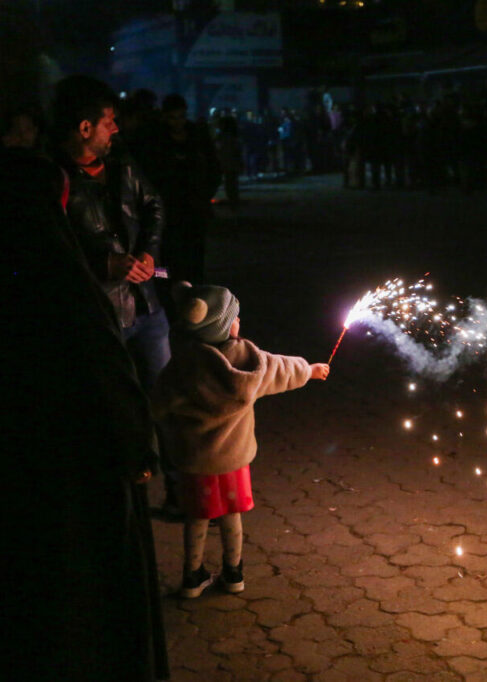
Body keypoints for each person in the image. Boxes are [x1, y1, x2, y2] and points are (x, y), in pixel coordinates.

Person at [0, 152, 170, 681]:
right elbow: (106, 374)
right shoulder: (62, 284)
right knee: (80, 605)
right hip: (72, 481)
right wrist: (137, 450)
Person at [51, 76, 179, 512]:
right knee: (111, 408)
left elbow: (154, 206)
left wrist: (147, 252)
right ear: (85, 128)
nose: (116, 129)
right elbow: (46, 248)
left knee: (165, 399)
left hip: (146, 307)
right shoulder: (52, 178)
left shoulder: (122, 166)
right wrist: (102, 266)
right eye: (109, 122)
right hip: (100, 316)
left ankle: (180, 491)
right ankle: (124, 498)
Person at [153, 284, 330, 597]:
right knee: (230, 517)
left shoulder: (182, 365)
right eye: (234, 318)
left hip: (196, 463)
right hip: (234, 461)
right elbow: (282, 368)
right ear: (224, 327)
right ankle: (234, 573)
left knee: (197, 517)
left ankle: (192, 577)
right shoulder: (250, 362)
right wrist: (311, 370)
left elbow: (157, 403)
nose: (239, 322)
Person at [151, 94, 221, 284]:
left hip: (194, 204)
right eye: (173, 117)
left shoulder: (197, 136)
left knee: (195, 249)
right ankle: (165, 284)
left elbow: (213, 166)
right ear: (165, 117)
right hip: (169, 205)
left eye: (181, 117)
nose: (178, 122)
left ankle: (194, 284)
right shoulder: (157, 139)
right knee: (167, 251)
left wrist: (206, 192)